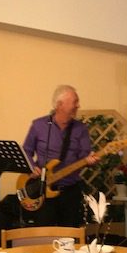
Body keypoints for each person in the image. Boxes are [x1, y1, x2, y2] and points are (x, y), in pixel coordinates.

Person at [22, 85, 99, 227]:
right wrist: (31, 168)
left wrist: (90, 161)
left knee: (70, 234)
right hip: (42, 190)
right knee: (45, 233)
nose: (78, 105)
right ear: (59, 105)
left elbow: (85, 156)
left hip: (70, 191)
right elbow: (26, 150)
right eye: (75, 102)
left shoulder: (80, 128)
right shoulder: (39, 125)